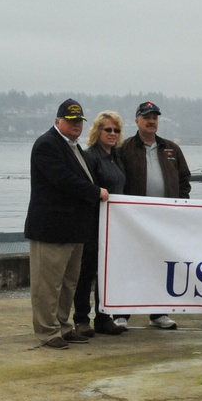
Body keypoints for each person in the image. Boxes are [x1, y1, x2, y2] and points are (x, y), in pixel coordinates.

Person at [24, 98, 109, 349]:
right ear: (58, 121)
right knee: (47, 286)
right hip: (51, 230)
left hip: (74, 230)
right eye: (71, 121)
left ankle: (63, 326)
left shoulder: (74, 148)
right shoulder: (46, 145)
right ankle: (47, 332)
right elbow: (64, 180)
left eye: (79, 121)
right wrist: (96, 192)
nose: (76, 125)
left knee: (68, 284)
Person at [115, 101, 192, 330]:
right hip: (133, 220)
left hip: (164, 219)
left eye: (155, 118)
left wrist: (180, 206)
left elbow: (184, 180)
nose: (151, 121)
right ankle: (121, 313)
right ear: (137, 120)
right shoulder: (125, 148)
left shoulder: (171, 149)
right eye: (147, 117)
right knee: (128, 264)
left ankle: (158, 313)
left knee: (160, 264)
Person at [72, 111, 127, 337]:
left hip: (113, 226)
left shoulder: (117, 157)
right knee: (87, 272)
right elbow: (84, 189)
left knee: (107, 273)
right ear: (98, 132)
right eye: (108, 130)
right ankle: (81, 319)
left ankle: (104, 317)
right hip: (93, 224)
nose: (112, 134)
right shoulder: (90, 157)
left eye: (116, 130)